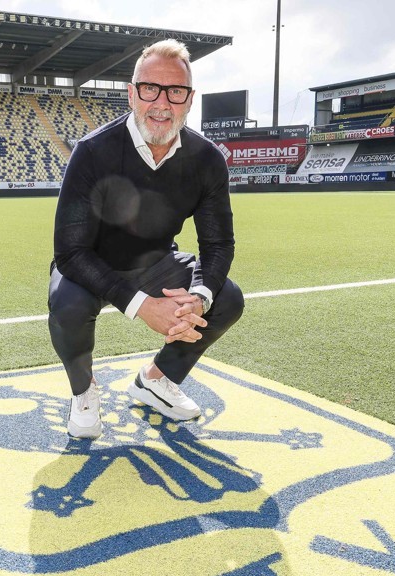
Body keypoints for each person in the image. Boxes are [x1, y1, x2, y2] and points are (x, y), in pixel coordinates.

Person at [48, 39, 244, 439]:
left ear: (189, 100)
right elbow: (70, 252)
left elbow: (218, 244)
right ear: (131, 94)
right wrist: (142, 306)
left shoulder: (207, 159)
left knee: (226, 297)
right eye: (150, 88)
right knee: (68, 303)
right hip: (91, 266)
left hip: (156, 262)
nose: (162, 103)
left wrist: (199, 298)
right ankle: (84, 391)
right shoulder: (93, 152)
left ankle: (156, 379)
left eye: (176, 92)